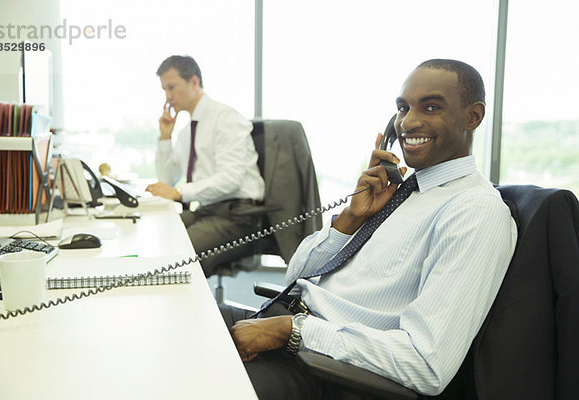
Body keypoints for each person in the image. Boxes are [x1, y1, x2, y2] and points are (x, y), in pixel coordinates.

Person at [220, 59, 518, 399]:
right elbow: (295, 275)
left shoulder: (474, 211)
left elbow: (426, 364)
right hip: (290, 327)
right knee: (172, 323)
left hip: (325, 371)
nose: (408, 122)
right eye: (403, 108)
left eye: (431, 107)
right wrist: (350, 219)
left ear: (473, 117)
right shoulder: (399, 192)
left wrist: (291, 331)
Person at [146, 55, 265, 277]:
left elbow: (230, 179)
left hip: (238, 215)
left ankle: (192, 310)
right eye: (164, 90)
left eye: (171, 87)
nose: (168, 97)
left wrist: (180, 193)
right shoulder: (185, 133)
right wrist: (164, 138)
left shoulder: (224, 118)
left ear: (193, 82)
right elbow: (167, 181)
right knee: (156, 236)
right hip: (208, 211)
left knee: (178, 257)